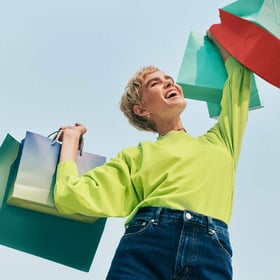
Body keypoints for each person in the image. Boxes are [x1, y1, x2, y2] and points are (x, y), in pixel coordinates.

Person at [54, 31, 252, 280]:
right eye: (155, 83)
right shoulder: (135, 156)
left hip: (211, 253)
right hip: (146, 247)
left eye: (169, 79)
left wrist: (222, 40)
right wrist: (70, 141)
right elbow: (70, 195)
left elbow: (239, 82)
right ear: (142, 109)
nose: (169, 83)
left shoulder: (223, 140)